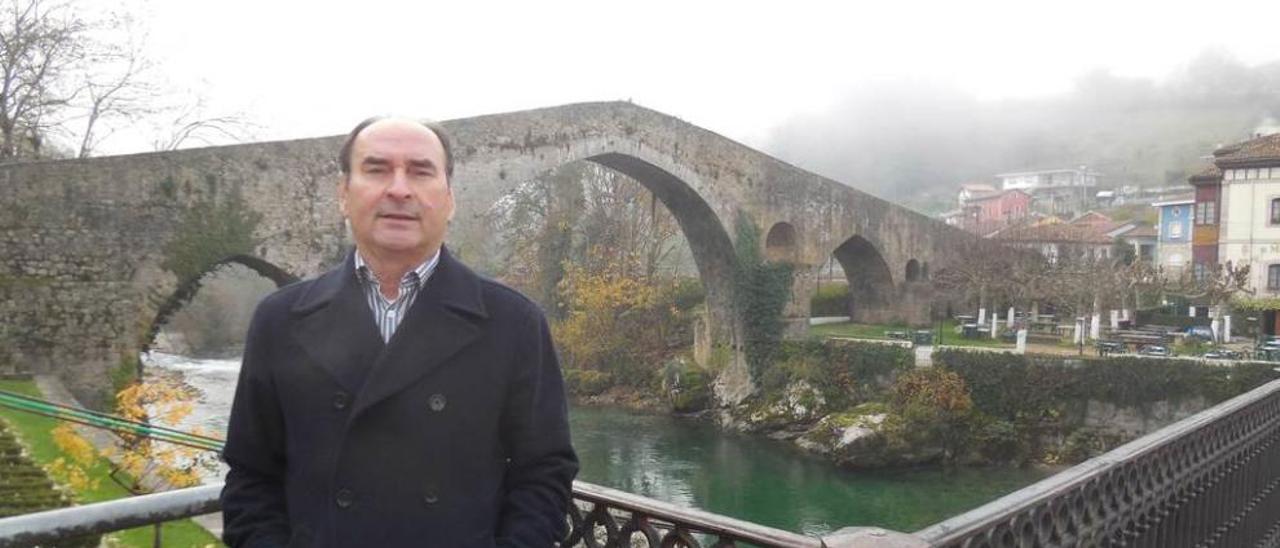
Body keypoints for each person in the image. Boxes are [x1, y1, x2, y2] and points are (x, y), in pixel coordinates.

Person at [220, 117, 578, 548]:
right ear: (343, 195)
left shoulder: (514, 323)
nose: (399, 189)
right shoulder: (280, 319)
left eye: (421, 171)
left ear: (450, 199)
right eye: (376, 169)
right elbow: (251, 477)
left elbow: (543, 475)